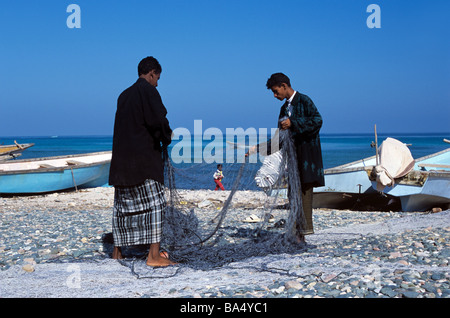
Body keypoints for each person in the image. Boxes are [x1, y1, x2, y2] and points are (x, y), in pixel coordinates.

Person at [109, 56, 175, 267]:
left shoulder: (123, 95)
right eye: (157, 78)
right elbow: (158, 121)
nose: (157, 82)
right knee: (156, 205)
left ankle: (117, 252)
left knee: (123, 208)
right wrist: (167, 135)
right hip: (144, 162)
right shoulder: (149, 91)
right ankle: (153, 256)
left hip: (121, 164)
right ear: (152, 73)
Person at [248, 72, 324, 244]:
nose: (275, 95)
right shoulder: (283, 109)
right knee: (293, 195)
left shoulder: (304, 101)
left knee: (303, 195)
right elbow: (278, 140)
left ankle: (301, 235)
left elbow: (318, 121)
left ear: (284, 86)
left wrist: (294, 123)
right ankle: (297, 234)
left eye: (276, 91)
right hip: (293, 161)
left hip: (307, 160)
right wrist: (256, 149)